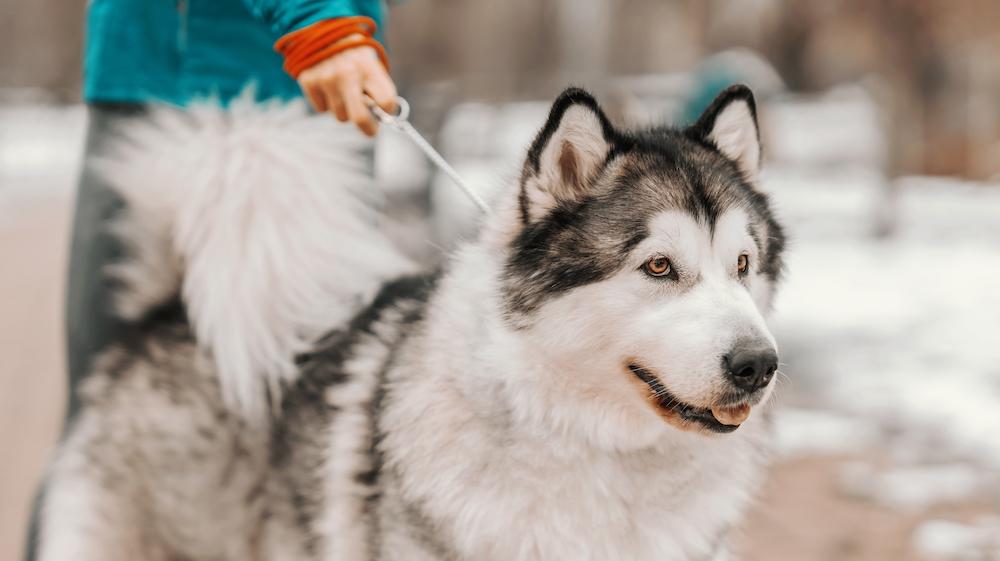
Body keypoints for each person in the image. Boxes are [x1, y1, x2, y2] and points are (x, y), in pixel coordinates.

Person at [25, 1, 399, 559]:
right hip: (202, 66)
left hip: (333, 87)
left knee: (317, 451)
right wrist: (318, 19)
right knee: (115, 443)